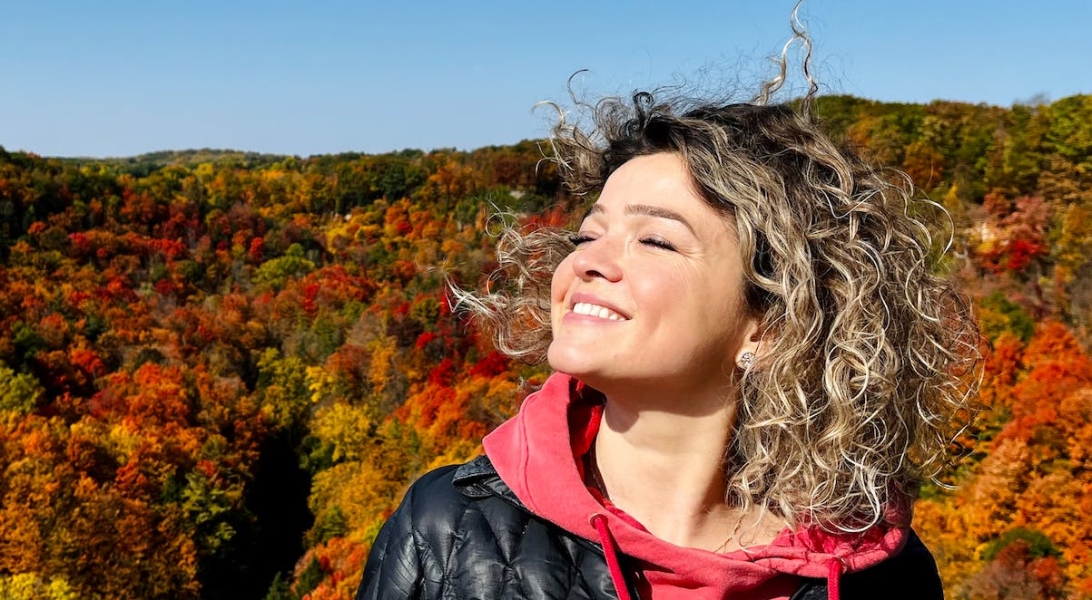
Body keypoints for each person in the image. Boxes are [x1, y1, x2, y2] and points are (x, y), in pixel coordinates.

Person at [356, 36, 979, 600]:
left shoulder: (882, 575)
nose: (588, 261)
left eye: (654, 240)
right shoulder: (447, 533)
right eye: (587, 235)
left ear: (772, 325)